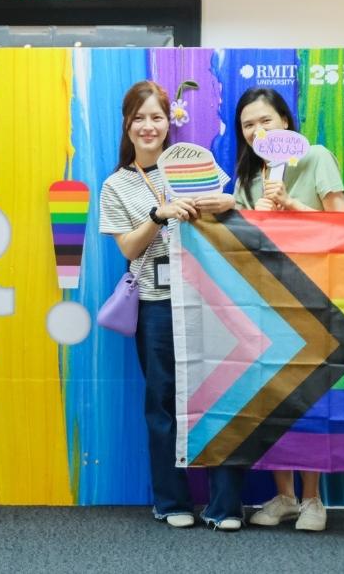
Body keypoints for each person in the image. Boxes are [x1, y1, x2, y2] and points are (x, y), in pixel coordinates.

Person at [98, 80, 245, 531]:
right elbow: (128, 248)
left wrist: (226, 201)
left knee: (220, 395)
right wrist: (157, 215)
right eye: (139, 118)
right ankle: (170, 500)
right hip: (156, 304)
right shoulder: (116, 184)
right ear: (127, 124)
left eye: (157, 117)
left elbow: (232, 217)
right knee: (162, 402)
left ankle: (225, 505)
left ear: (170, 122)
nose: (148, 126)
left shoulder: (194, 164)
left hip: (208, 299)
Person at [214, 87, 344, 532]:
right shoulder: (247, 178)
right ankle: (286, 496)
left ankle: (313, 499)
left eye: (265, 121)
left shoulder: (317, 157)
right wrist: (256, 218)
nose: (257, 131)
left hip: (316, 295)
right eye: (248, 125)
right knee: (272, 398)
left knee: (311, 399)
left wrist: (291, 205)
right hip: (268, 299)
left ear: (285, 122)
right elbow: (243, 244)